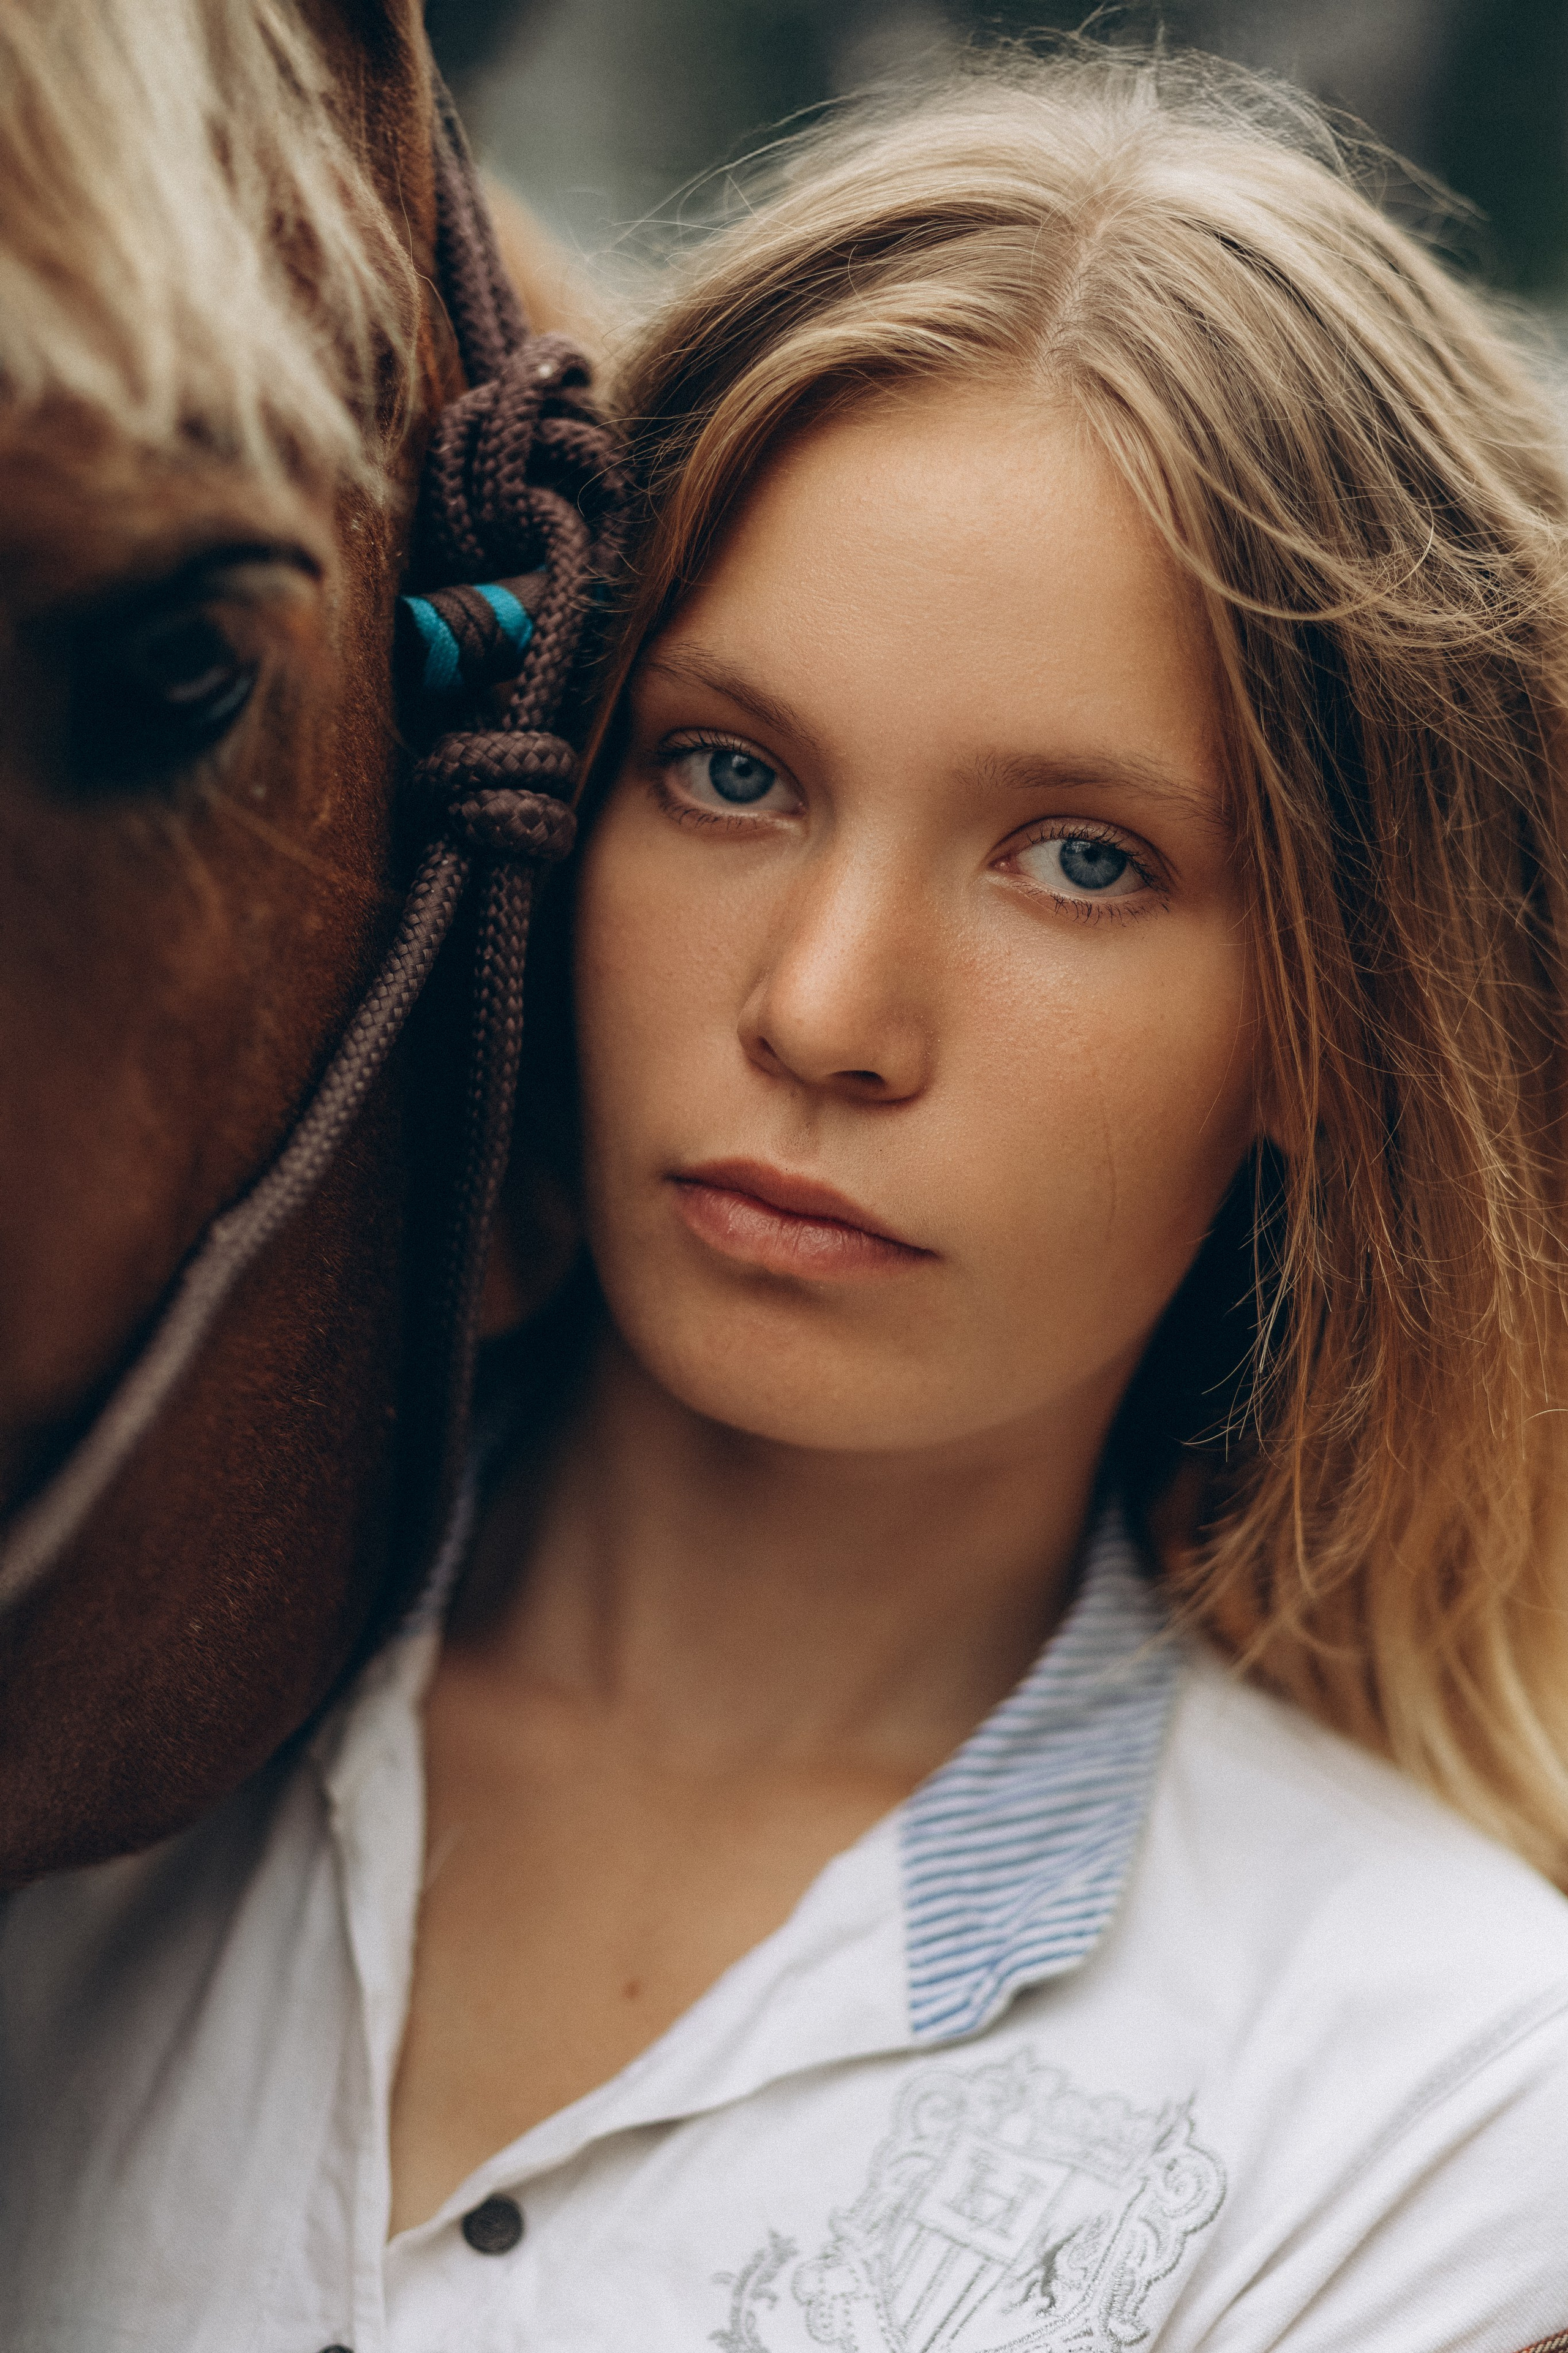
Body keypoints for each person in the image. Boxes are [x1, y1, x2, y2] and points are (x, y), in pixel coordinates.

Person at [5, 43, 1568, 2352]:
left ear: (1342, 1023)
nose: (830, 1011)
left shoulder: (1439, 2118)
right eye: (729, 772)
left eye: (1080, 860)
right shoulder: (83, 1725)